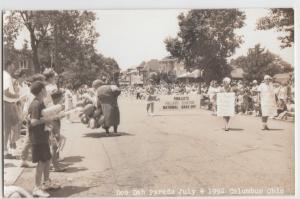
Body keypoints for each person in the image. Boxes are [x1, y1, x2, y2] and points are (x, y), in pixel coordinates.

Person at [28, 81, 60, 197]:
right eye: (45, 89)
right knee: (41, 162)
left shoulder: (40, 103)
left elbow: (42, 119)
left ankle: (46, 183)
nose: (46, 91)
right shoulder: (36, 104)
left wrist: (49, 123)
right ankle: (36, 188)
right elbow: (34, 122)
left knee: (47, 160)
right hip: (37, 138)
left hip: (42, 136)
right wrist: (48, 119)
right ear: (42, 90)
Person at [3, 60, 19, 159]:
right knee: (7, 129)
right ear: (9, 65)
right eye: (13, 64)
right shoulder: (6, 76)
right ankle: (5, 151)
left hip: (9, 103)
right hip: (7, 103)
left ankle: (8, 148)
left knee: (12, 127)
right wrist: (17, 96)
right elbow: (5, 92)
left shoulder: (6, 75)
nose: (14, 66)